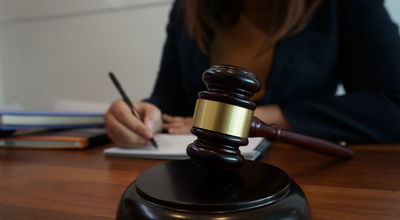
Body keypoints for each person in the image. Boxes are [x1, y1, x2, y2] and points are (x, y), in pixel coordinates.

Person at [105, 0, 400, 148]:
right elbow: (172, 97)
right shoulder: (188, 8)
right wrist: (147, 113)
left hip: (306, 181)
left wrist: (258, 120)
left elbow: (393, 103)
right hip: (197, 182)